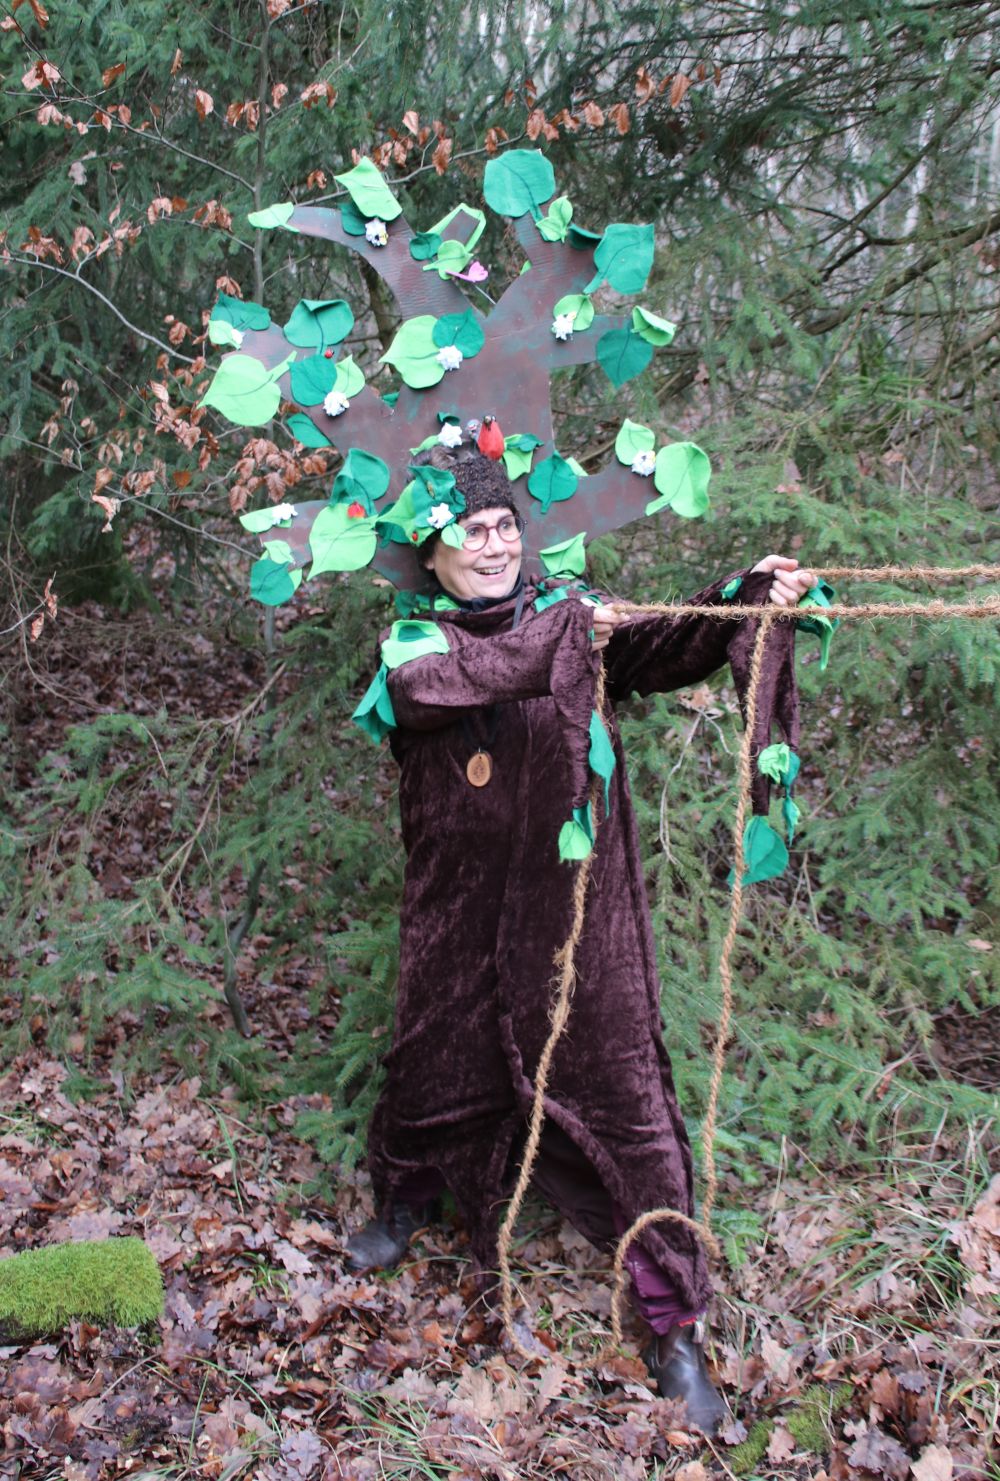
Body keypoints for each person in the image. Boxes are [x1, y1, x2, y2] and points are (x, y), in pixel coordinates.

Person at [346, 446, 813, 1433]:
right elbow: (453, 683)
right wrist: (569, 634)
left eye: (505, 525)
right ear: (429, 551)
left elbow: (667, 642)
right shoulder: (406, 644)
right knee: (433, 1066)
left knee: (629, 1108)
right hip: (459, 915)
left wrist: (742, 593)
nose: (494, 540)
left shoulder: (569, 608)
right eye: (470, 530)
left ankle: (672, 1320)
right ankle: (408, 1201)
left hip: (580, 920)